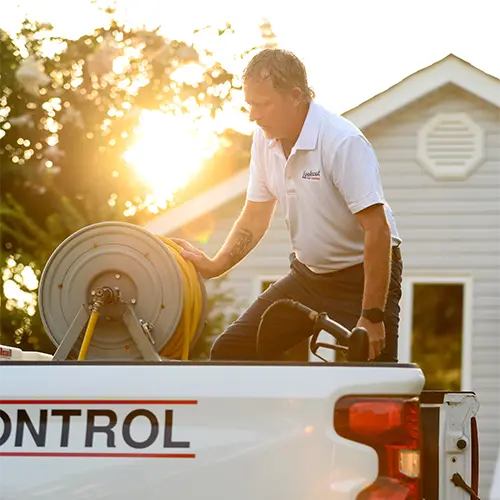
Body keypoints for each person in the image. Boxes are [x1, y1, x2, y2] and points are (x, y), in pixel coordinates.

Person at [172, 48, 403, 363]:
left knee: (374, 379)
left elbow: (377, 228)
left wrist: (373, 316)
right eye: (250, 105)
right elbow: (254, 216)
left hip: (361, 278)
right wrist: (214, 265)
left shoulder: (342, 142)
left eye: (263, 104)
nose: (254, 115)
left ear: (296, 96)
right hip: (307, 277)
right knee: (231, 352)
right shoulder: (264, 139)